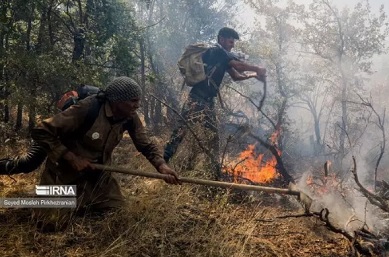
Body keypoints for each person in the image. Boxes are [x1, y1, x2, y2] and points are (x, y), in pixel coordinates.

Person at [31, 76, 180, 219]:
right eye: (133, 101)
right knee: (51, 222)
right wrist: (72, 158)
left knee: (117, 214)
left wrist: (162, 166)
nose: (138, 105)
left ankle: (82, 200)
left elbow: (146, 145)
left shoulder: (130, 116)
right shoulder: (87, 108)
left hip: (99, 174)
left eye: (138, 100)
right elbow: (41, 131)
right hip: (64, 173)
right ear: (117, 101)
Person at [163, 27, 267, 175]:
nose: (232, 45)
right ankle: (163, 163)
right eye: (230, 41)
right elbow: (238, 66)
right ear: (221, 39)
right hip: (197, 99)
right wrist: (257, 68)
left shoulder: (224, 58)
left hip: (208, 102)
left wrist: (252, 75)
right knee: (181, 131)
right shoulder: (216, 52)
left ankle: (214, 170)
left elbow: (236, 76)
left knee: (213, 137)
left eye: (233, 42)